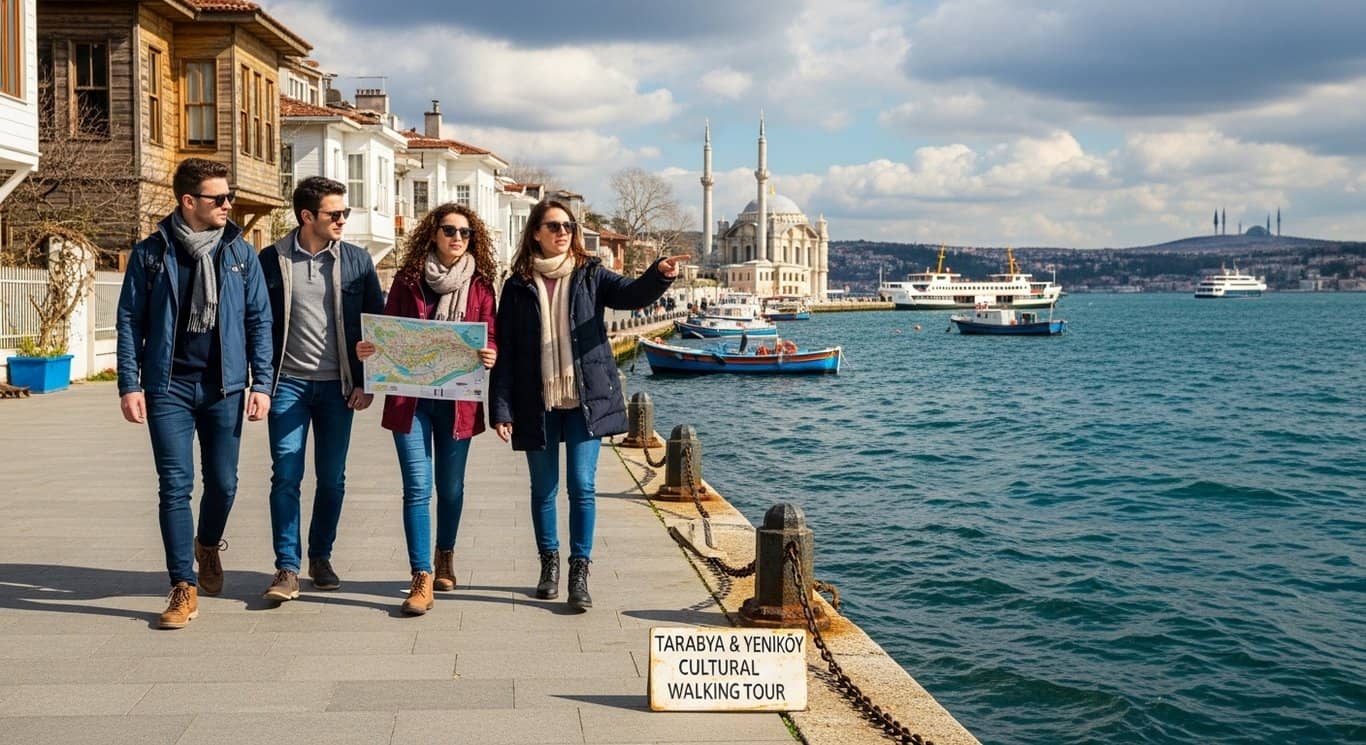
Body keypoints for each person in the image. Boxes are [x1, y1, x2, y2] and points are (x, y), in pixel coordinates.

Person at [490, 199, 685, 611]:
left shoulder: (591, 274)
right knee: (544, 490)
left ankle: (579, 570)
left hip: (585, 400)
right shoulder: (518, 283)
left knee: (583, 486)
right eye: (554, 225)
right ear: (536, 233)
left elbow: (631, 295)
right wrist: (501, 408)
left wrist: (659, 275)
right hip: (535, 400)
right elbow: (505, 350)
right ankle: (549, 566)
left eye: (569, 225)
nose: (563, 231)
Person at [115, 158, 274, 629]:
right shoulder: (151, 253)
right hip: (168, 386)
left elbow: (258, 321)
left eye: (228, 197)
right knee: (175, 485)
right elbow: (129, 321)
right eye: (218, 198)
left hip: (225, 386)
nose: (228, 205)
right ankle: (182, 585)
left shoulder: (239, 254)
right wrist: (129, 384)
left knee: (224, 483)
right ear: (189, 201)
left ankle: (208, 544)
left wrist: (261, 382)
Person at [356, 203, 498, 615]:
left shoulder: (482, 286)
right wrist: (371, 347)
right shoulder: (408, 280)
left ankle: (445, 555)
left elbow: (492, 334)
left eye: (465, 233)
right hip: (410, 402)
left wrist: (490, 353)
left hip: (458, 404)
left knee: (450, 488)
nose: (457, 238)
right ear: (433, 233)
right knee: (418, 487)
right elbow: (387, 328)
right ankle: (420, 576)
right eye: (450, 230)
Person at [257, 176, 383, 603]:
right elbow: (254, 324)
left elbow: (376, 327)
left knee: (332, 479)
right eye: (335, 214)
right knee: (286, 475)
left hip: (338, 388)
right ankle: (287, 568)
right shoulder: (271, 259)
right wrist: (259, 384)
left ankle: (320, 556)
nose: (343, 220)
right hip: (287, 385)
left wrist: (367, 383)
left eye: (344, 213)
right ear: (307, 216)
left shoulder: (357, 261)